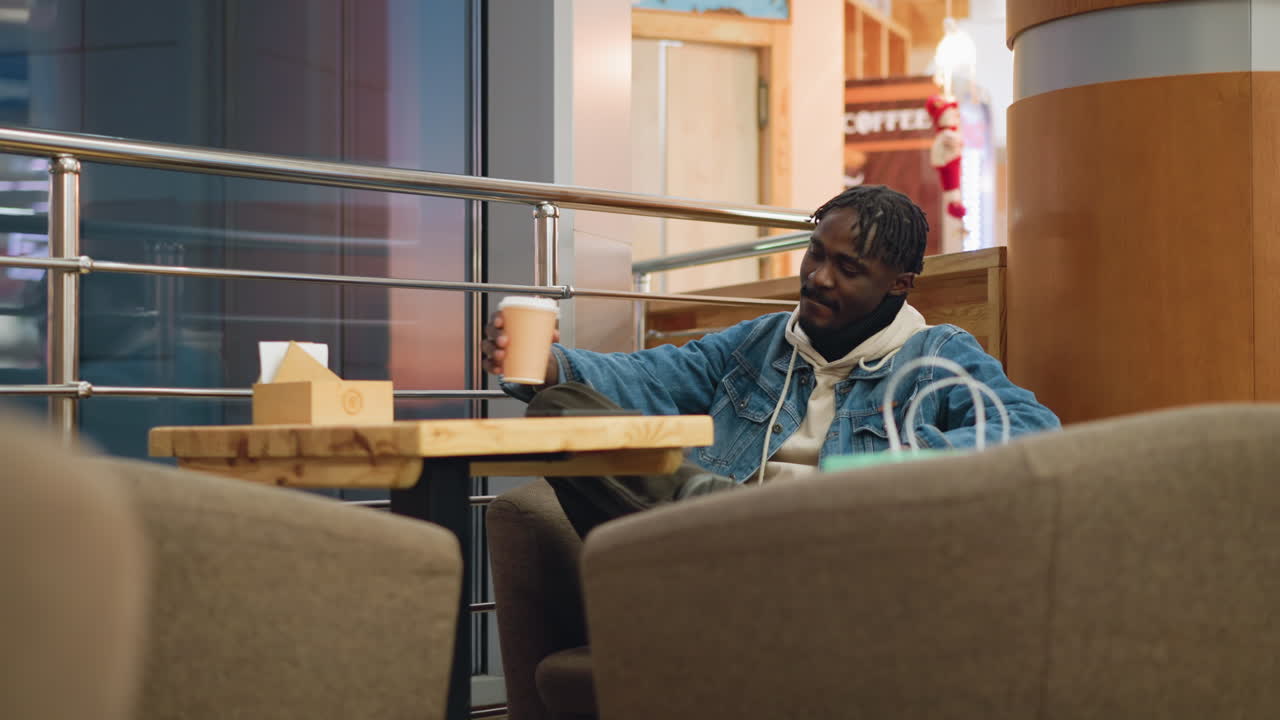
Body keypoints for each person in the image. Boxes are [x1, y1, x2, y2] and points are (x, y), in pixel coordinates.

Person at [483, 185, 1060, 537]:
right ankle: (708, 516)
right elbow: (645, 378)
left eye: (848, 269)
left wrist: (870, 475)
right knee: (561, 408)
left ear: (899, 285)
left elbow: (1031, 433)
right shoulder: (756, 344)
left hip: (829, 555)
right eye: (816, 254)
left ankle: (709, 513)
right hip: (708, 554)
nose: (817, 278)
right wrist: (547, 364)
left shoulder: (938, 358)